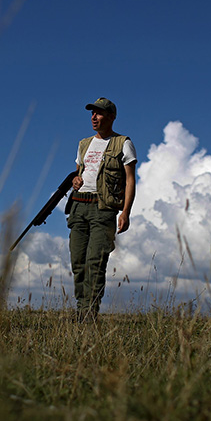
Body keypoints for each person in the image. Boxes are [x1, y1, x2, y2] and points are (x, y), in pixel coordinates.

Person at [67, 97, 137, 319]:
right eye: (92, 113)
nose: (94, 117)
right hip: (79, 206)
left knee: (95, 261)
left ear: (111, 117)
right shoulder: (83, 144)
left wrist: (125, 212)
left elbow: (130, 180)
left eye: (99, 113)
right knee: (78, 262)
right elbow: (78, 173)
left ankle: (89, 313)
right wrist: (75, 181)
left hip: (103, 209)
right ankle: (81, 308)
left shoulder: (123, 143)